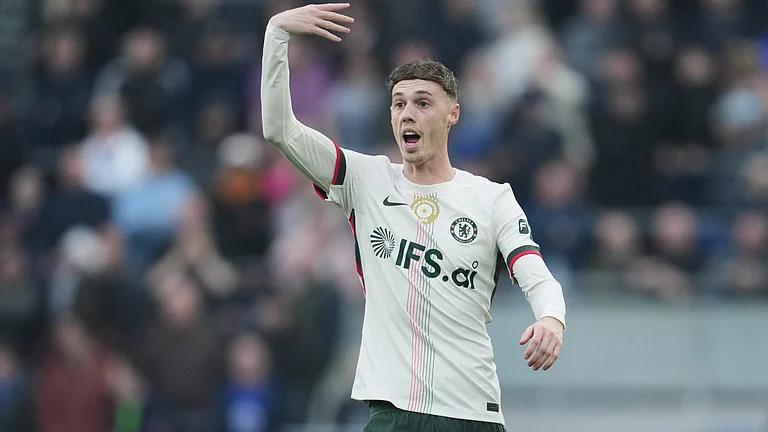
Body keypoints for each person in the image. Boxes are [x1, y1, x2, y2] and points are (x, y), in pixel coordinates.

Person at [260, 4, 566, 431]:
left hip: (472, 414)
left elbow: (537, 276)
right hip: (393, 415)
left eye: (423, 102)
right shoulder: (365, 180)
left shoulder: (491, 198)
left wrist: (551, 318)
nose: (407, 113)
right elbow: (279, 128)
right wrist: (277, 34)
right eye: (399, 103)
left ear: (452, 114)